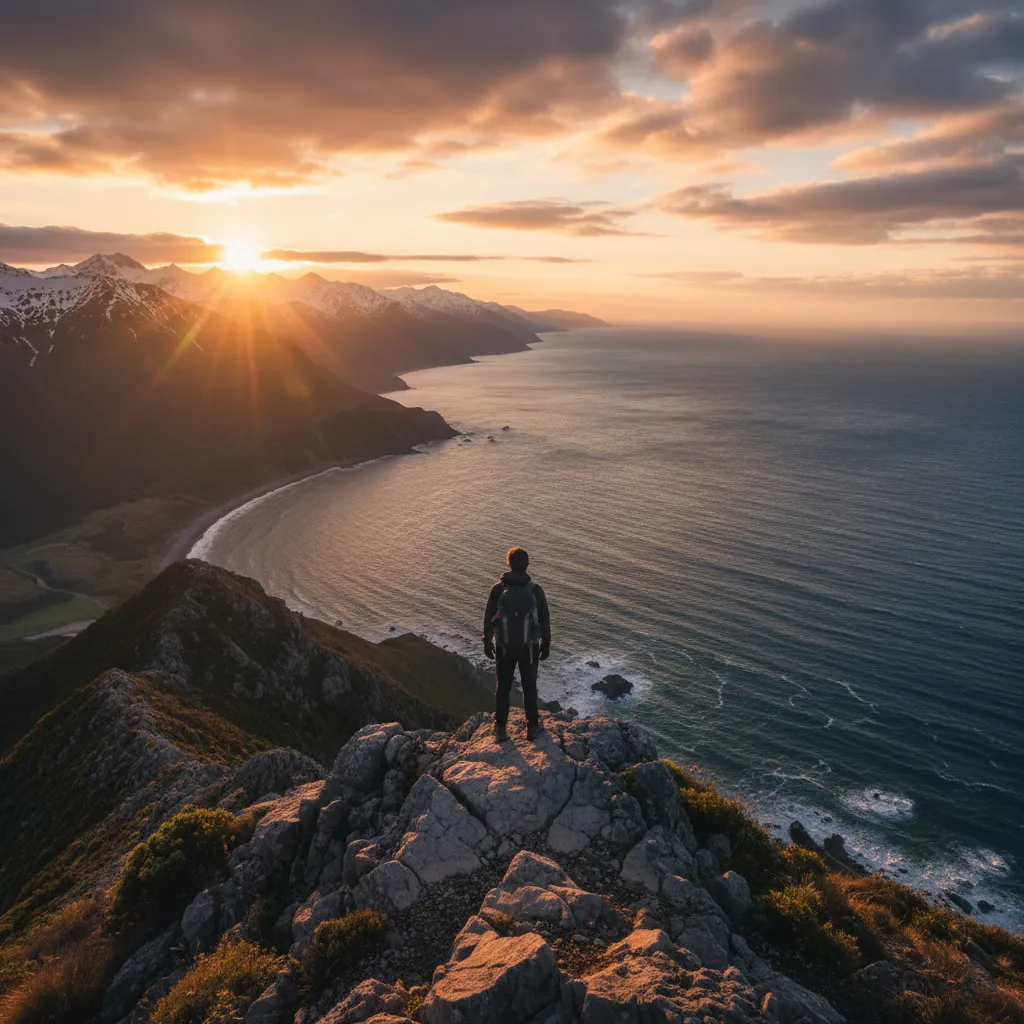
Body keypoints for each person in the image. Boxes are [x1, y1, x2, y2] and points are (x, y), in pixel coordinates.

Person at [483, 547, 551, 742]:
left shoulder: (498, 589)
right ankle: (532, 728)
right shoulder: (535, 590)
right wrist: (546, 644)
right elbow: (545, 620)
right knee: (530, 687)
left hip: (504, 647)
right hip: (528, 649)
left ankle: (500, 729)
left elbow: (488, 616)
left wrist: (487, 641)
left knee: (503, 687)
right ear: (526, 564)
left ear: (509, 564)